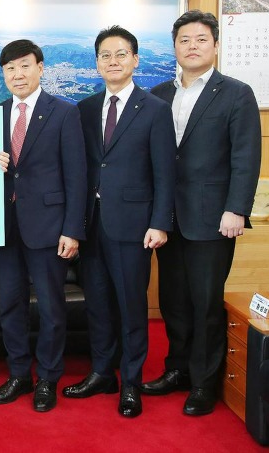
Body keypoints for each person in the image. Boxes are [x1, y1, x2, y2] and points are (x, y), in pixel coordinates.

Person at [141, 10, 262, 416]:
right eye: (184, 40)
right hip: (167, 216)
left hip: (213, 217)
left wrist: (236, 209)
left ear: (215, 45)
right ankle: (177, 369)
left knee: (205, 302)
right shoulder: (159, 94)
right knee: (173, 299)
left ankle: (204, 383)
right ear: (174, 47)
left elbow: (246, 156)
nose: (192, 46)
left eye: (200, 40)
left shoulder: (236, 93)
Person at [62, 26, 176, 418]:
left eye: (121, 54)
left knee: (131, 307)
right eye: (105, 55)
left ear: (135, 60)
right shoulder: (85, 108)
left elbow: (165, 173)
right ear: (96, 63)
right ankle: (101, 373)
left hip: (134, 226)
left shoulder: (155, 109)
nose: (113, 61)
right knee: (97, 305)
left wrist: (160, 222)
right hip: (92, 225)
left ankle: (130, 382)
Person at [0, 39, 87, 413]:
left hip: (49, 227)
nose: (18, 74)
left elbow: (76, 176)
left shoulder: (63, 112)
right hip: (6, 227)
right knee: (10, 305)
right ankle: (18, 374)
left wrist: (72, 229)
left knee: (50, 307)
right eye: (10, 68)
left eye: (24, 65)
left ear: (40, 68)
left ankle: (47, 377)